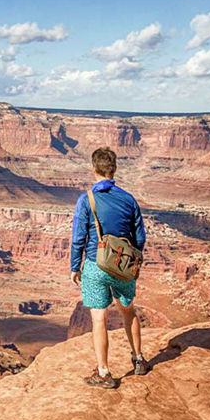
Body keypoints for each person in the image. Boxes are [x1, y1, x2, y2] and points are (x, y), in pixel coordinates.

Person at [70, 147, 147, 389]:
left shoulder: (87, 199)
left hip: (95, 265)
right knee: (128, 311)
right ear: (114, 169)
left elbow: (78, 238)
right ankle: (139, 359)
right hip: (122, 265)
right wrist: (129, 260)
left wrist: (75, 266)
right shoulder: (128, 199)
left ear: (94, 169)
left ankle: (103, 373)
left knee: (99, 319)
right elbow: (140, 237)